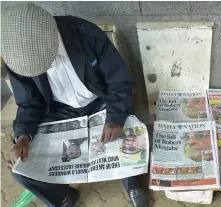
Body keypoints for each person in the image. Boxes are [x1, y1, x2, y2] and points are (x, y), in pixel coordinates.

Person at [2, 3, 147, 207]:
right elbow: (29, 102)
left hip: (100, 101)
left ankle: (132, 183)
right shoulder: (18, 59)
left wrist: (115, 119)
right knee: (20, 168)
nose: (46, 67)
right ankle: (63, 197)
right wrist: (23, 136)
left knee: (126, 136)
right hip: (58, 110)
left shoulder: (87, 35)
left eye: (45, 61)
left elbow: (119, 81)